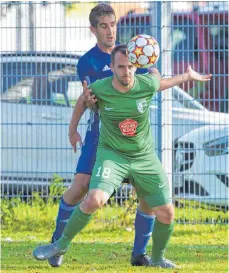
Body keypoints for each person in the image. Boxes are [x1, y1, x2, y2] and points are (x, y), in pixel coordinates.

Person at [46, 3, 212, 268]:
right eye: (104, 26)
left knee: (147, 197)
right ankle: (57, 244)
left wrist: (156, 67)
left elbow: (153, 80)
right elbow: (86, 98)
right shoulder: (87, 62)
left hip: (134, 140)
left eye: (113, 24)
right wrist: (74, 126)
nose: (110, 30)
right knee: (81, 188)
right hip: (101, 135)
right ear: (93, 29)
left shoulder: (133, 52)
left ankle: (140, 254)